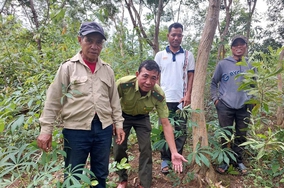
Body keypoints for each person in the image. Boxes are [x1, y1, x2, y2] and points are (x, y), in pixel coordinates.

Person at [37, 21, 125, 188]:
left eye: (98, 42)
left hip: (103, 129)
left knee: (100, 173)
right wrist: (46, 130)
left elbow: (114, 100)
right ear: (80, 40)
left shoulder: (108, 70)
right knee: (73, 173)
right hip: (75, 130)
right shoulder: (68, 68)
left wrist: (119, 124)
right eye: (89, 40)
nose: (94, 46)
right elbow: (54, 99)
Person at [113, 60, 188, 188]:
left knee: (146, 149)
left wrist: (174, 151)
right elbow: (110, 102)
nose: (148, 82)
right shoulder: (123, 84)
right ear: (137, 74)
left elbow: (165, 123)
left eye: (153, 78)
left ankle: (144, 183)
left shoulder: (158, 94)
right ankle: (122, 180)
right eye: (145, 76)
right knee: (119, 147)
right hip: (122, 116)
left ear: (157, 79)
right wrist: (114, 122)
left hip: (142, 118)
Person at [154, 22, 195, 174]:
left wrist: (188, 95)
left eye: (179, 35)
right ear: (168, 36)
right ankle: (165, 159)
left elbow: (191, 76)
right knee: (164, 129)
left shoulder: (188, 55)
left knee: (181, 130)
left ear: (182, 36)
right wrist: (157, 95)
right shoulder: (160, 55)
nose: (176, 37)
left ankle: (177, 156)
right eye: (173, 35)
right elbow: (156, 77)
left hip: (181, 100)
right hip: (163, 99)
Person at [210, 35, 253, 175]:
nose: (239, 47)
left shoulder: (250, 64)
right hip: (225, 106)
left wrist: (252, 100)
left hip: (244, 106)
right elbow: (213, 82)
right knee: (225, 133)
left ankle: (238, 160)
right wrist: (216, 99)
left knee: (241, 134)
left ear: (246, 47)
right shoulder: (223, 64)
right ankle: (225, 160)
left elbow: (254, 85)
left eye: (242, 45)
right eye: (236, 45)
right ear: (232, 48)